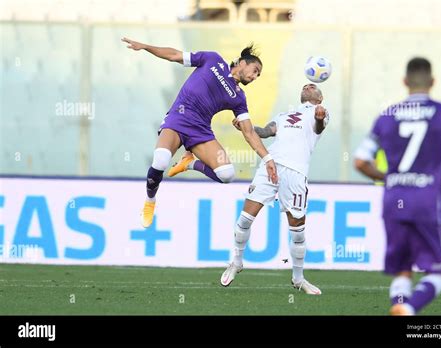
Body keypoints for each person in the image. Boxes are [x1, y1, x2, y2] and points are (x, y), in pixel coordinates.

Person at [354, 57, 441, 315]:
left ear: (405, 82)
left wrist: (389, 178)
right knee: (438, 271)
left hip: (394, 199)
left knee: (403, 269)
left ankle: (399, 306)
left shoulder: (386, 116)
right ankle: (409, 308)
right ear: (433, 82)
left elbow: (361, 161)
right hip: (426, 200)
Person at [121, 38, 278, 228]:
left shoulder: (239, 97)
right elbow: (175, 55)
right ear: (242, 63)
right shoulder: (213, 60)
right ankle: (150, 201)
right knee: (161, 160)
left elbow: (249, 132)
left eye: (258, 76)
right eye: (255, 71)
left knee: (227, 174)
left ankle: (189, 163)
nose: (254, 77)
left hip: (200, 130)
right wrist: (146, 47)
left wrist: (267, 159)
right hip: (179, 117)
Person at [216, 83, 329, 294]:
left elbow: (319, 127)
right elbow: (265, 132)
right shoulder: (284, 115)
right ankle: (237, 262)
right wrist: (246, 128)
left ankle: (298, 278)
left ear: (320, 98)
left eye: (313, 86)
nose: (308, 85)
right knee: (244, 219)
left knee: (297, 231)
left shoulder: (320, 112)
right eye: (306, 84)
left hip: (295, 174)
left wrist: (321, 118)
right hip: (270, 165)